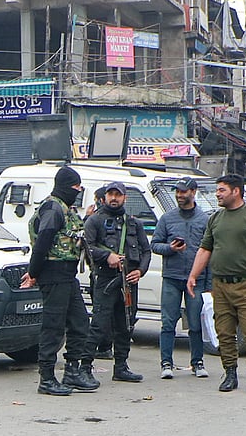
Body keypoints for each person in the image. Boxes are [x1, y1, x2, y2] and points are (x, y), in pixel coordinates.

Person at [188, 174, 246, 396]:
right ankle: (230, 374)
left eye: (222, 190)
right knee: (224, 333)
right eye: (217, 190)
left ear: (235, 191)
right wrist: (193, 275)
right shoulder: (215, 218)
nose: (217, 194)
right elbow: (205, 249)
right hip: (220, 285)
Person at [20, 166, 96, 396]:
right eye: (75, 187)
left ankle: (72, 371)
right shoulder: (53, 209)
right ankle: (47, 378)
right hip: (53, 275)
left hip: (67, 276)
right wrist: (33, 273)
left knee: (80, 323)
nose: (78, 191)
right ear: (64, 186)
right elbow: (42, 243)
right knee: (53, 328)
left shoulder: (65, 208)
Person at [81, 182, 149, 384]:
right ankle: (84, 367)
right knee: (99, 324)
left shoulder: (134, 223)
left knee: (126, 324)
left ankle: (121, 367)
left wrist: (140, 271)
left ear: (124, 198)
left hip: (128, 281)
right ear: (104, 197)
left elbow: (146, 251)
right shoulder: (95, 220)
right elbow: (87, 247)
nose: (114, 198)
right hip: (105, 280)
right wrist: (107, 256)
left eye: (118, 195)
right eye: (110, 194)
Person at [151, 178, 211, 379]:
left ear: (193, 192)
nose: (179, 195)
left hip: (197, 280)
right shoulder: (167, 218)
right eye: (177, 191)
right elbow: (155, 244)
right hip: (172, 277)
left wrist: (209, 284)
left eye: (183, 191)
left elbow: (211, 252)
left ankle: (197, 362)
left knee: (196, 323)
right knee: (168, 322)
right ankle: (166, 363)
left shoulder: (205, 220)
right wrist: (170, 248)